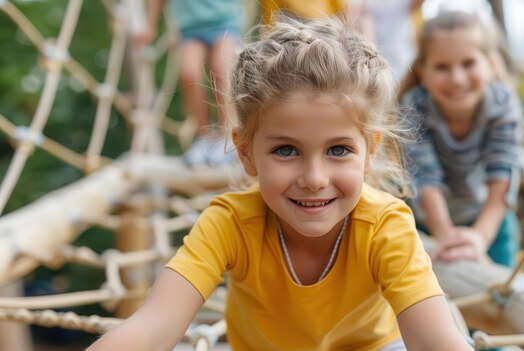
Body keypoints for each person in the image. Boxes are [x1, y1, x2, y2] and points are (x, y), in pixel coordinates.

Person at [88, 18, 473, 351]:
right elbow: (152, 329)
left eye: (338, 150)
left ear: (370, 151)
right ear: (246, 153)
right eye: (286, 151)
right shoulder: (230, 223)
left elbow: (434, 340)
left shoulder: (384, 226)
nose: (314, 179)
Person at [400, 10, 522, 269]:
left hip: (488, 216)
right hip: (426, 220)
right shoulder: (414, 108)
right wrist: (444, 235)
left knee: (500, 291)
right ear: (422, 72)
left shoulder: (502, 105)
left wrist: (481, 235)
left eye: (468, 63)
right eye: (442, 67)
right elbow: (424, 177)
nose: (457, 79)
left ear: (489, 64)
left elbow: (503, 173)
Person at [135, 0, 242, 166]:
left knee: (222, 72)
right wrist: (150, 25)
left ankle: (227, 137)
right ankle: (204, 138)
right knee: (188, 74)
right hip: (189, 27)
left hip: (223, 20)